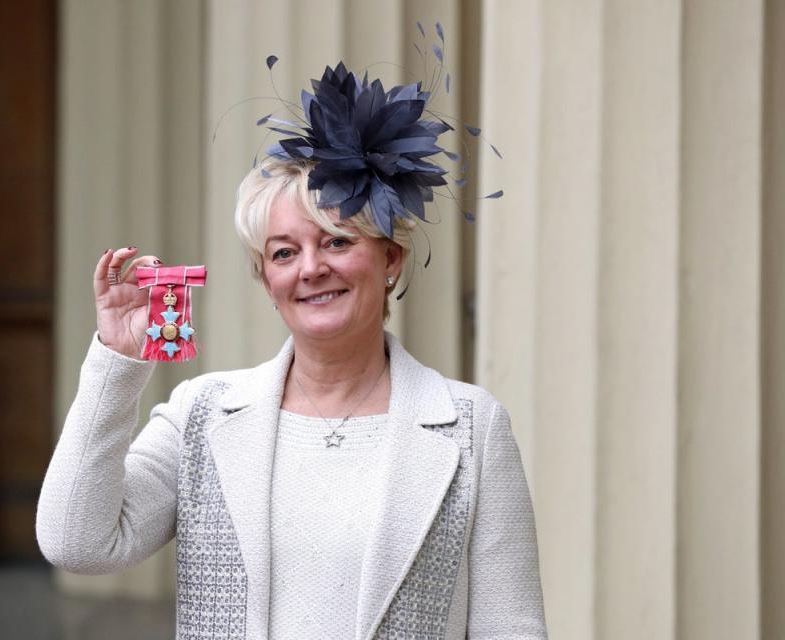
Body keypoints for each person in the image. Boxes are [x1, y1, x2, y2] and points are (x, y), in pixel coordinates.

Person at [37, 60, 547, 640]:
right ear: (266, 278)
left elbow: (511, 627)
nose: (311, 268)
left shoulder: (472, 428)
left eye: (337, 240)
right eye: (283, 252)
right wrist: (117, 361)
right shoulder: (201, 414)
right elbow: (76, 542)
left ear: (390, 260)